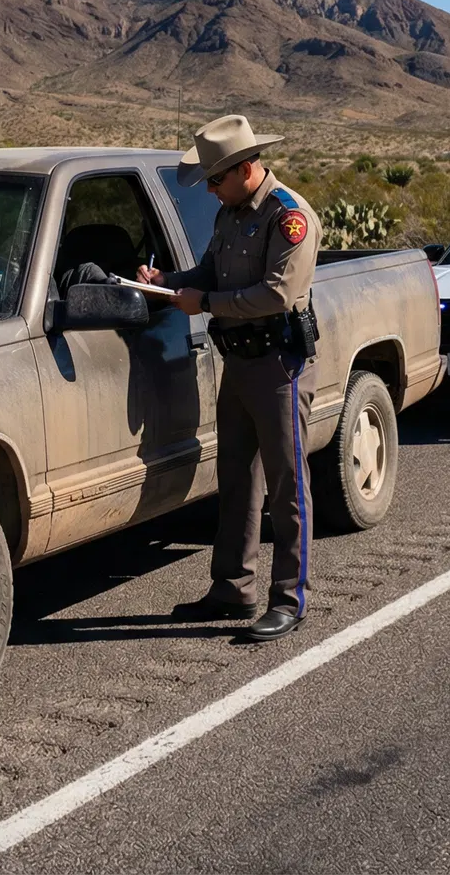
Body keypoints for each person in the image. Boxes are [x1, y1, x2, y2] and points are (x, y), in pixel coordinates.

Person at [139, 114, 322, 642]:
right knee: (238, 477)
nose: (211, 190)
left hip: (280, 366)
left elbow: (276, 294)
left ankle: (290, 597)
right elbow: (208, 272)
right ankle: (232, 587)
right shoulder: (231, 214)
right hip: (238, 362)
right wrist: (166, 282)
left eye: (216, 180)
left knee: (288, 485)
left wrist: (205, 304)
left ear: (245, 168)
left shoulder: (289, 217)